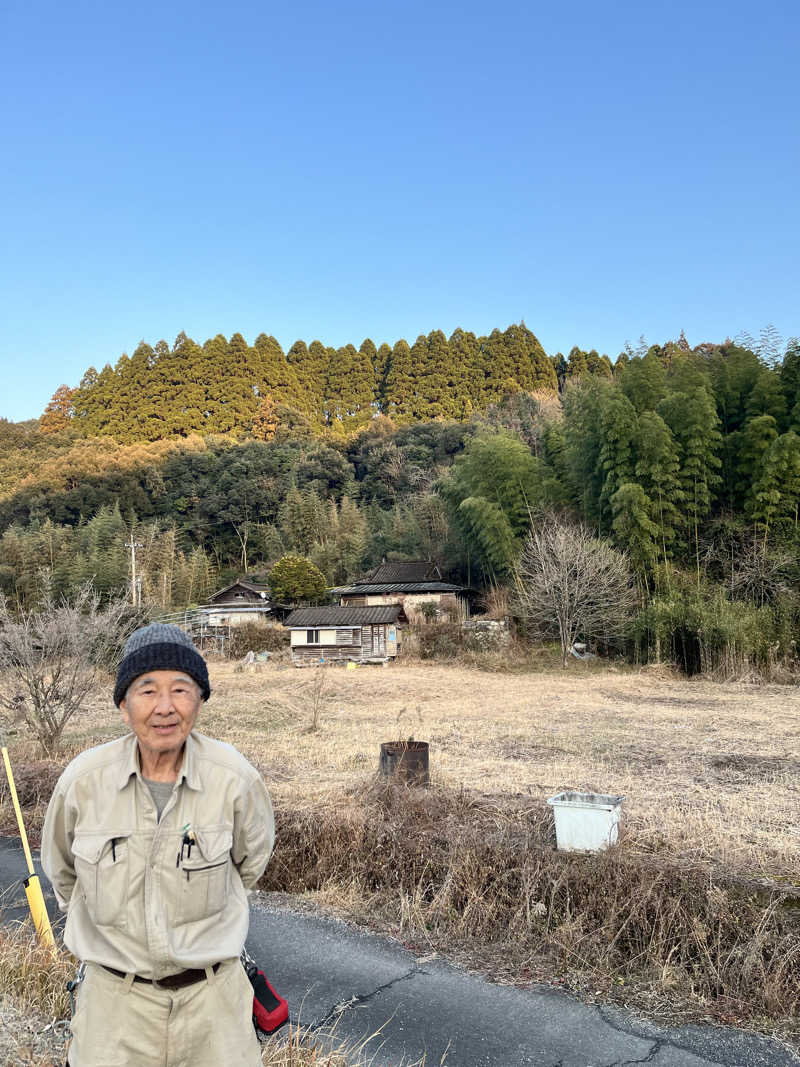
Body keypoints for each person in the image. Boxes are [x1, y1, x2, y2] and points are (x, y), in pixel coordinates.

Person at [42, 622, 274, 1067]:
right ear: (123, 706)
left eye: (181, 690)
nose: (165, 707)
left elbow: (249, 864)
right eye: (147, 690)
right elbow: (63, 873)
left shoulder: (235, 779)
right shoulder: (83, 782)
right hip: (113, 1010)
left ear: (200, 699)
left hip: (214, 1008)